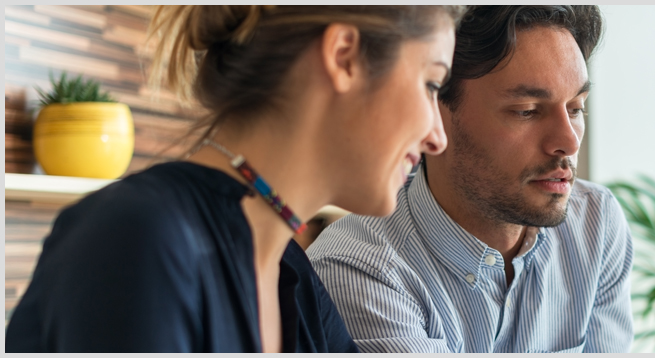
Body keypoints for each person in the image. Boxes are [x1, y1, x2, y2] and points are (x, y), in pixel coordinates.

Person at [5, 5, 464, 352]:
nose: (437, 137)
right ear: (344, 56)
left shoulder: (299, 285)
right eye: (430, 84)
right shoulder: (139, 237)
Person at [307, 5, 634, 353]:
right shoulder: (361, 270)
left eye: (576, 108)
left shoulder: (595, 224)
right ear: (436, 111)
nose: (568, 141)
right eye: (526, 111)